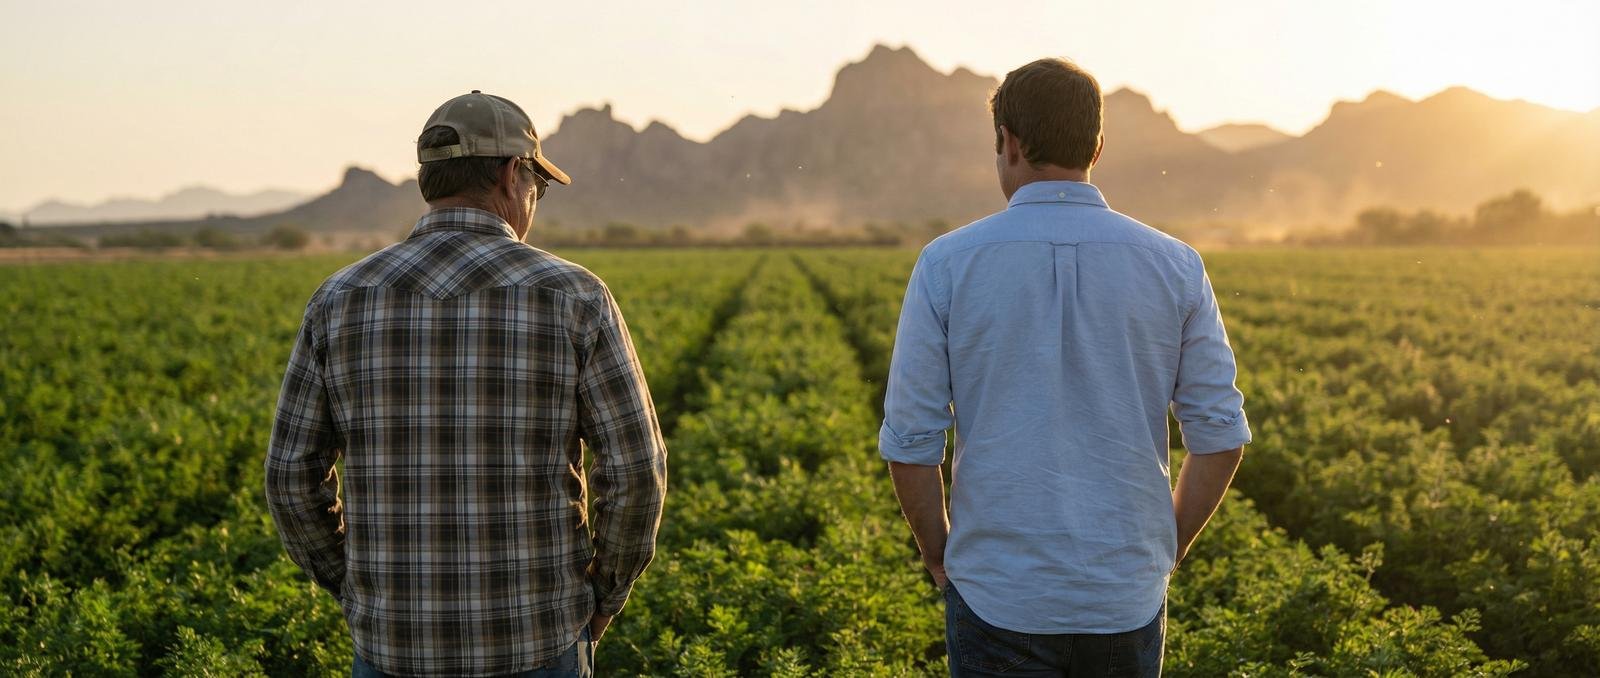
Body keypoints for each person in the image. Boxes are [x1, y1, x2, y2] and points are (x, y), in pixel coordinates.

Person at [265, 91, 668, 678]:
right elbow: (636, 470)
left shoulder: (339, 299)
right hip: (539, 641)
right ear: (512, 175)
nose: (536, 200)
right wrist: (604, 598)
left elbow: (289, 477)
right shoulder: (574, 297)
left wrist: (358, 590)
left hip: (392, 649)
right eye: (539, 186)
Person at [879, 59, 1251, 677]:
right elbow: (1219, 437)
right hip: (1124, 598)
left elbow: (912, 442)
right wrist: (1165, 550)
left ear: (1009, 143)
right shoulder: (1176, 265)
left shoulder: (947, 264)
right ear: (1098, 147)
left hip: (997, 593)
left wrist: (940, 557)